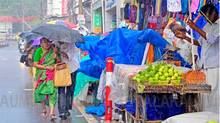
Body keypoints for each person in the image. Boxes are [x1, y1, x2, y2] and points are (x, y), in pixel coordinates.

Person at [173, 3, 219, 114]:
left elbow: (211, 39)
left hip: (216, 68)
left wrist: (195, 28)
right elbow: (199, 42)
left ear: (214, 13)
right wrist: (186, 37)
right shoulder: (207, 26)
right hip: (205, 67)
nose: (206, 19)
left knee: (215, 97)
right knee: (205, 98)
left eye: (207, 16)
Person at [33, 37, 60, 120]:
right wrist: (46, 67)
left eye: (48, 41)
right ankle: (44, 108)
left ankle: (52, 113)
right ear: (41, 43)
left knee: (53, 92)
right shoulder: (39, 51)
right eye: (44, 42)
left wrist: (56, 56)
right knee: (41, 92)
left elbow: (59, 62)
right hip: (41, 75)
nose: (47, 44)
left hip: (52, 75)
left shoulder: (54, 50)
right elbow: (35, 64)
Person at [57, 41, 80, 120]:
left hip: (72, 68)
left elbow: (69, 57)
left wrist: (60, 52)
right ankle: (62, 111)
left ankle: (67, 109)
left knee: (70, 90)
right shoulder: (55, 44)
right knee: (61, 91)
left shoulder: (71, 44)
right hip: (61, 69)